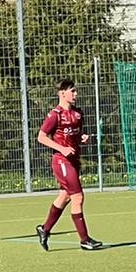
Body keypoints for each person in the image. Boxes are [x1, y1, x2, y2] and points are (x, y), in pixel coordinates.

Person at [35, 79, 102, 251]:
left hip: (74, 160)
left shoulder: (78, 113)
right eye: (72, 91)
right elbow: (41, 137)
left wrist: (82, 138)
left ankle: (44, 229)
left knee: (64, 196)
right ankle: (85, 240)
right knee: (78, 197)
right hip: (61, 161)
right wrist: (62, 149)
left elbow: (75, 135)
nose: (75, 94)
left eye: (75, 90)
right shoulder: (55, 115)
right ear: (62, 93)